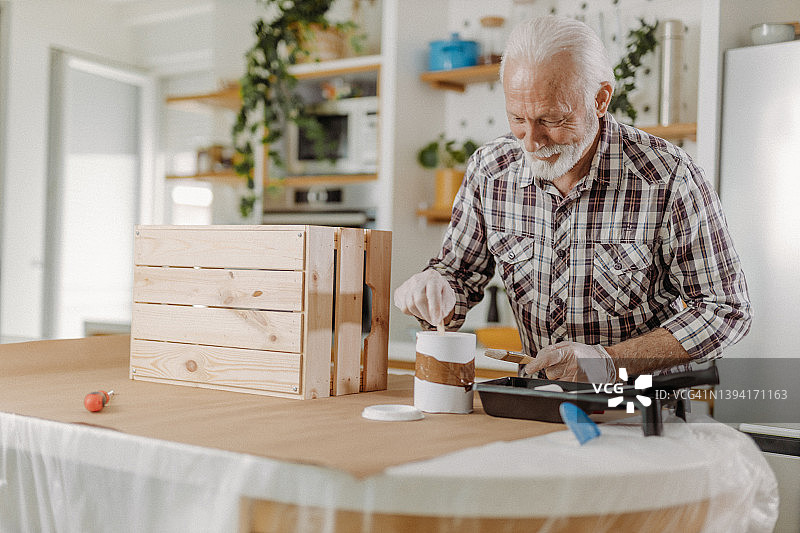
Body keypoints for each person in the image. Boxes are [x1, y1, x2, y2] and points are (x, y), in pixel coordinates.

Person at [394, 15, 751, 382]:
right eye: (518, 117)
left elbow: (725, 311)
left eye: (552, 119)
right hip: (536, 405)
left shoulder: (668, 176)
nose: (531, 141)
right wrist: (434, 288)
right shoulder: (491, 170)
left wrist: (609, 362)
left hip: (639, 412)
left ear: (600, 99)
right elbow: (458, 275)